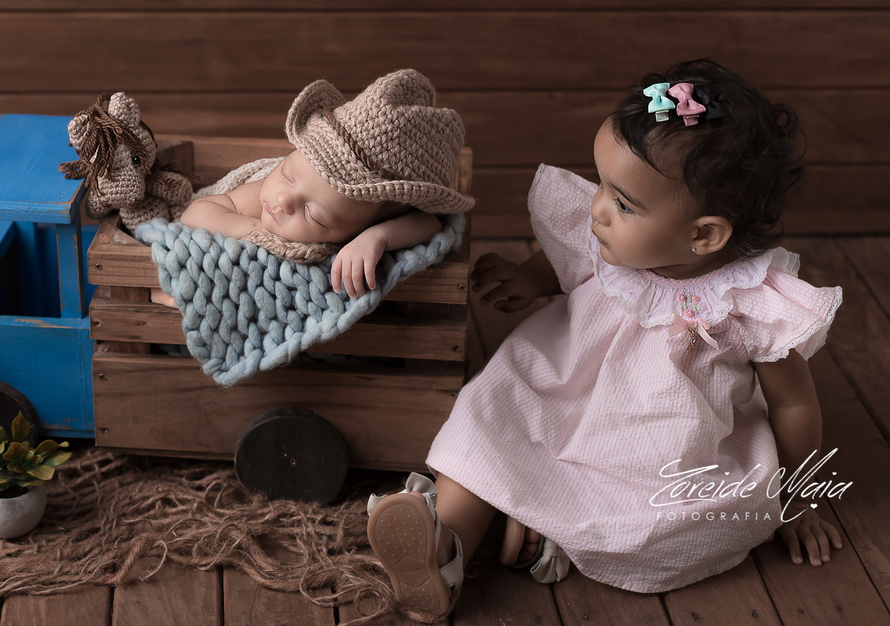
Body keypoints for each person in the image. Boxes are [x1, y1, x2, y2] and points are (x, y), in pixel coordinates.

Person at [365, 59, 844, 615]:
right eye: (601, 184)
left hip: (656, 439)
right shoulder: (616, 238)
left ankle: (546, 527)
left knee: (675, 515)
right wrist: (530, 278)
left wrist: (801, 499)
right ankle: (446, 543)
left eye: (623, 202)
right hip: (560, 383)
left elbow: (793, 402)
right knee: (490, 421)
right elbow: (570, 260)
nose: (597, 210)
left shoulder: (748, 302)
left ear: (704, 236)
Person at [152, 68, 474, 304]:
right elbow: (196, 212)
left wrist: (377, 237)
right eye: (287, 174)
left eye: (314, 215)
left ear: (360, 226)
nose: (283, 198)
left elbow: (430, 223)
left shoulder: (372, 223)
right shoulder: (261, 196)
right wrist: (252, 231)